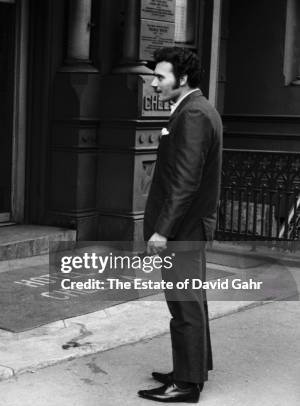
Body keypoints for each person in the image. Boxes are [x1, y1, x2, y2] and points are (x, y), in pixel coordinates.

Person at [139, 47, 222, 403]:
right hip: (189, 227)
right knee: (190, 301)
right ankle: (191, 371)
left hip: (183, 229)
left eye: (161, 76)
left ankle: (187, 386)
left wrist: (163, 230)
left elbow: (185, 181)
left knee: (184, 303)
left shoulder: (193, 115)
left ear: (182, 79)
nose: (154, 83)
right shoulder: (196, 109)